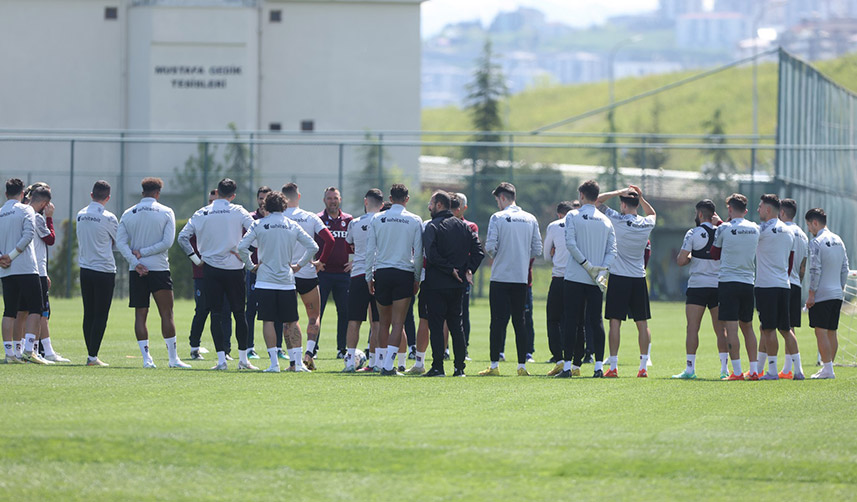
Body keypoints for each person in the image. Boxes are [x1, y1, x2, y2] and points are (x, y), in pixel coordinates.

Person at [178, 178, 256, 371]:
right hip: (235, 269)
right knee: (239, 314)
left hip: (210, 270)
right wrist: (244, 251)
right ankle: (243, 359)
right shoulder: (238, 211)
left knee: (216, 314)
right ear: (233, 195)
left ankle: (221, 361)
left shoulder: (202, 212)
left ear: (218, 192)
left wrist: (197, 260)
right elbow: (257, 230)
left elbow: (182, 238)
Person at [238, 191, 319, 372]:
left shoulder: (259, 224)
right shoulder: (292, 225)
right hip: (287, 281)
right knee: (292, 321)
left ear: (266, 206)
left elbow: (242, 247)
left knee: (268, 321)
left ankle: (274, 364)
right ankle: (297, 363)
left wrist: (251, 266)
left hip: (265, 281)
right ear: (284, 205)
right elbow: (313, 246)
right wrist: (299, 265)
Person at [116, 177, 189, 369]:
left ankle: (147, 359)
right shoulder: (166, 212)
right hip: (159, 269)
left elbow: (121, 243)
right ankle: (173, 359)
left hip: (136, 270)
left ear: (142, 193)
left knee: (141, 314)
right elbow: (167, 243)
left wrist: (135, 260)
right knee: (167, 314)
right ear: (158, 193)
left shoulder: (128, 213)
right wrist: (145, 253)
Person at [479, 182, 542, 376]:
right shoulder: (530, 218)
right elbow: (537, 249)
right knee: (520, 321)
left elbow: (490, 247)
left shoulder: (497, 217)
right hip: (521, 278)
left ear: (503, 198)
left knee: (497, 322)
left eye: (498, 199)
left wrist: (500, 255)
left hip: (500, 277)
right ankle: (522, 366)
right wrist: (522, 256)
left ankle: (494, 366)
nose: (498, 203)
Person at [557, 180, 616, 378]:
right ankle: (598, 367)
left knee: (572, 321)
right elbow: (612, 250)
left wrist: (586, 265)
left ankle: (568, 367)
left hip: (575, 276)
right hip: (597, 279)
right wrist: (601, 269)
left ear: (581, 195)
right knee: (595, 320)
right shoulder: (606, 220)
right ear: (597, 197)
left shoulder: (573, 215)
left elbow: (570, 244)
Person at [421, 190, 484, 377]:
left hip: (436, 284)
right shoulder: (465, 227)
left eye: (431, 203)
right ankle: (459, 368)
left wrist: (449, 269)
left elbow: (431, 255)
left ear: (439, 205)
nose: (429, 207)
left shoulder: (432, 227)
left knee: (437, 326)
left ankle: (438, 367)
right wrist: (468, 269)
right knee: (457, 326)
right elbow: (479, 252)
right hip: (458, 286)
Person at [597, 185, 656, 378]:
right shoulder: (646, 223)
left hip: (619, 278)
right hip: (638, 279)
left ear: (623, 204)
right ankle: (643, 367)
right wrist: (641, 197)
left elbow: (597, 201)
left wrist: (617, 192)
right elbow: (652, 212)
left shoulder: (616, 219)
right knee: (642, 323)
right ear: (637, 204)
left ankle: (613, 366)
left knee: (615, 322)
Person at [365, 183, 423, 376]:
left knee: (383, 322)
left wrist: (368, 276)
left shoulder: (377, 219)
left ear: (390, 199)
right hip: (403, 273)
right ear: (407, 199)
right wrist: (417, 278)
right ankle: (389, 365)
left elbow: (369, 251)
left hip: (381, 272)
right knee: (399, 323)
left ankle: (382, 364)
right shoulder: (414, 220)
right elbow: (418, 253)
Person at [281, 183, 335, 369]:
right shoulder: (310, 217)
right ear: (299, 196)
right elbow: (330, 240)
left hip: (285, 274)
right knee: (314, 315)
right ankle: (309, 354)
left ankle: (294, 362)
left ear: (282, 197)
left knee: (289, 319)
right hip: (307, 274)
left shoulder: (277, 218)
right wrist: (321, 261)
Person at [673, 199, 729, 380]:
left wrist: (690, 256)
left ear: (699, 214)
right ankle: (724, 370)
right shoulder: (723, 231)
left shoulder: (693, 233)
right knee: (721, 330)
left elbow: (681, 261)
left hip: (697, 286)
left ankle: (690, 369)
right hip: (718, 286)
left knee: (692, 328)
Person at [14, 184, 69, 362]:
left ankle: (20, 350)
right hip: (35, 270)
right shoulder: (36, 217)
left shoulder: (21, 212)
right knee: (40, 312)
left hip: (23, 268)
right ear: (44, 202)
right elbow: (50, 239)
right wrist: (50, 218)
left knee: (21, 312)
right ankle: (38, 350)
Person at [710, 193, 760, 380]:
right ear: (745, 210)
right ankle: (754, 370)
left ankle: (737, 372)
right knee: (748, 327)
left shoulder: (723, 229)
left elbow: (715, 253)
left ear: (730, 209)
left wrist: (720, 224)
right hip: (748, 283)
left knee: (731, 329)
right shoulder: (755, 228)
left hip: (728, 283)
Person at [0, 178, 49, 364]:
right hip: (26, 267)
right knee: (36, 308)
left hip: (5, 269)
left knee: (9, 311)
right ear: (22, 194)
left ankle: (10, 354)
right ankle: (30, 351)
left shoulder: (1, 212)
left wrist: (2, 257)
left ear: (6, 194)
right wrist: (11, 256)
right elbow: (28, 235)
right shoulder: (26, 209)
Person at [753, 194, 799, 380]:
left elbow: (743, 232)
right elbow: (791, 260)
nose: (758, 209)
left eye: (760, 206)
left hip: (766, 286)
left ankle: (772, 371)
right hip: (784, 284)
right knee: (786, 330)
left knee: (768, 329)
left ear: (768, 209)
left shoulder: (762, 229)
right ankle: (799, 370)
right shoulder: (789, 231)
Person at [77, 180, 119, 366]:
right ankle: (92, 356)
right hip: (104, 270)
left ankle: (91, 353)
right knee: (101, 314)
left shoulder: (80, 214)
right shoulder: (109, 218)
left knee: (89, 312)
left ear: (91, 194)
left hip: (85, 269)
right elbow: (119, 243)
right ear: (108, 197)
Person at [188, 189, 233, 361]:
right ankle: (194, 348)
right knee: (202, 310)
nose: (212, 204)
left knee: (226, 311)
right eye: (210, 200)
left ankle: (225, 350)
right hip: (202, 273)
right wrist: (198, 260)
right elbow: (187, 240)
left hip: (224, 272)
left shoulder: (226, 220)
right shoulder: (200, 218)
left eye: (215, 200)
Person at [804, 208, 848, 379]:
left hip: (822, 294)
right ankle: (828, 367)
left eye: (809, 225)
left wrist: (811, 294)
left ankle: (828, 369)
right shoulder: (839, 240)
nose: (809, 229)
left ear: (815, 223)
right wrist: (841, 287)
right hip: (837, 292)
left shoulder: (816, 242)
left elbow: (815, 270)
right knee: (832, 331)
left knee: (820, 331)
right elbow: (845, 268)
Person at [342, 189, 383, 372]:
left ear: (366, 202)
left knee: (354, 320)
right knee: (377, 322)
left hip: (358, 274)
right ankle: (375, 362)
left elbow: (349, 244)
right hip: (379, 274)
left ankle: (350, 362)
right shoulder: (384, 221)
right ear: (382, 205)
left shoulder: (354, 223)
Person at [245, 185, 283, 360]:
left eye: (265, 198)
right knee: (251, 309)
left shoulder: (281, 221)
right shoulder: (252, 219)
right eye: (260, 198)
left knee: (278, 311)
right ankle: (249, 347)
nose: (262, 201)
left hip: (276, 272)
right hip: (255, 272)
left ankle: (279, 348)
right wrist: (251, 265)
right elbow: (243, 246)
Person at [316, 186, 353, 359]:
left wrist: (355, 261)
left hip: (343, 274)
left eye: (335, 198)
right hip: (322, 273)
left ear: (340, 200)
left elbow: (358, 242)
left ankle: (342, 349)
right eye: (329, 198)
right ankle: (312, 348)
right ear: (324, 200)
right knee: (317, 312)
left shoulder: (349, 220)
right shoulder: (317, 219)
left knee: (344, 312)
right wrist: (315, 262)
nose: (333, 201)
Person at [777, 198, 808, 379]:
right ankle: (788, 368)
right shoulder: (803, 234)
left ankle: (771, 367)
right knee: (790, 327)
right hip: (796, 283)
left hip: (782, 282)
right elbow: (803, 266)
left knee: (771, 326)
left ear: (781, 212)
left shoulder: (783, 231)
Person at [543, 201, 573, 375]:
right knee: (575, 320)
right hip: (577, 279)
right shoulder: (580, 223)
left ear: (559, 214)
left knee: (553, 320)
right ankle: (575, 362)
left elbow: (547, 256)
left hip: (559, 278)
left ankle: (559, 359)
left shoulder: (554, 226)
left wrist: (555, 258)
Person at [451, 192, 478, 359]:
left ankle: (464, 348)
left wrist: (468, 269)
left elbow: (474, 251)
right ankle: (444, 349)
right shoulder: (441, 224)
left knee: (463, 313)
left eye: (458, 205)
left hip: (461, 275)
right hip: (445, 273)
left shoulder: (470, 226)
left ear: (464, 208)